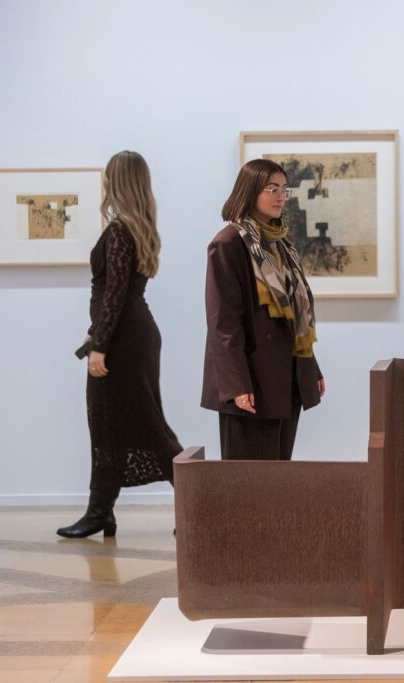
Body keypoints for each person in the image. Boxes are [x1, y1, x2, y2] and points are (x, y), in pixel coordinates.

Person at [57, 151, 182, 538]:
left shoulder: (118, 231)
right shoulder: (137, 228)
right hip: (133, 335)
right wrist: (96, 334)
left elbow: (113, 293)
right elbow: (119, 295)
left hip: (124, 341)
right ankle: (101, 512)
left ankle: (201, 503)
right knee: (114, 424)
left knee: (140, 424)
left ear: (117, 182)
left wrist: (100, 345)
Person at [202, 158, 324, 461]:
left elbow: (296, 316)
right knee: (248, 483)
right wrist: (236, 385)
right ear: (250, 191)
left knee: (278, 478)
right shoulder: (228, 243)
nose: (281, 196)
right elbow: (224, 322)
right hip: (250, 381)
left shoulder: (280, 243)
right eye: (272, 189)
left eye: (284, 189)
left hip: (287, 376)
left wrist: (312, 368)